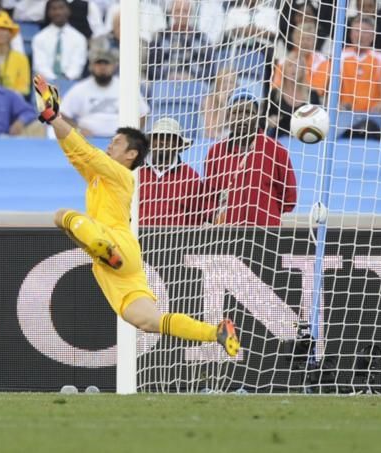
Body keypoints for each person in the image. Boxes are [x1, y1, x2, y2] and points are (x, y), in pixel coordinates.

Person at [33, 73, 240, 357]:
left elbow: (85, 151)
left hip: (113, 240)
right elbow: (74, 152)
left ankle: (101, 246)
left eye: (116, 142)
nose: (110, 144)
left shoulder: (121, 175)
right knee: (149, 321)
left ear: (131, 154)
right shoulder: (99, 177)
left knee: (62, 215)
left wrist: (54, 118)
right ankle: (215, 332)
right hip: (123, 263)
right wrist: (54, 119)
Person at [203, 91, 297, 226]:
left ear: (257, 116)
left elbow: (289, 197)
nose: (242, 117)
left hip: (267, 231)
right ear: (228, 116)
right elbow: (209, 196)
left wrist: (267, 212)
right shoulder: (215, 153)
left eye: (248, 112)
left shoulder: (277, 150)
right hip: (228, 232)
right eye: (236, 112)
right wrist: (217, 216)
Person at [317, 16, 381, 139]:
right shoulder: (340, 56)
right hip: (346, 115)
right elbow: (331, 85)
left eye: (365, 31)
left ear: (373, 36)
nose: (360, 35)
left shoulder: (380, 58)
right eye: (357, 31)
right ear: (350, 34)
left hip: (372, 115)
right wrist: (334, 103)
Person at [60, 49, 148, 137]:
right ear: (91, 66)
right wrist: (77, 129)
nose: (102, 67)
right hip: (87, 140)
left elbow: (143, 113)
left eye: (106, 63)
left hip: (120, 140)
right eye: (98, 63)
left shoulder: (126, 88)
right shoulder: (80, 88)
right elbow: (62, 114)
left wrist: (130, 134)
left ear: (114, 66)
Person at [139, 118, 204, 226]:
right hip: (135, 235)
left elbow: (196, 219)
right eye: (159, 137)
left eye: (169, 138)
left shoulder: (191, 177)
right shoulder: (134, 172)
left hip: (177, 236)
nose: (163, 142)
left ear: (178, 144)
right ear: (151, 142)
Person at [267, 53, 322, 138]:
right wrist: (270, 121)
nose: (293, 69)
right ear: (284, 70)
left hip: (304, 142)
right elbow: (262, 120)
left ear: (303, 71)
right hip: (279, 140)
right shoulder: (274, 94)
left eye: (297, 66)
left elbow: (320, 123)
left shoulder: (312, 95)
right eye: (290, 65)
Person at [31, 0, 87, 82]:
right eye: (54, 9)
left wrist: (65, 80)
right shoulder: (39, 38)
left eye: (61, 8)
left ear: (69, 11)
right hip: (46, 83)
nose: (58, 12)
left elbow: (77, 65)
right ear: (49, 13)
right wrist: (55, 80)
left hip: (71, 83)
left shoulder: (79, 38)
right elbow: (39, 65)